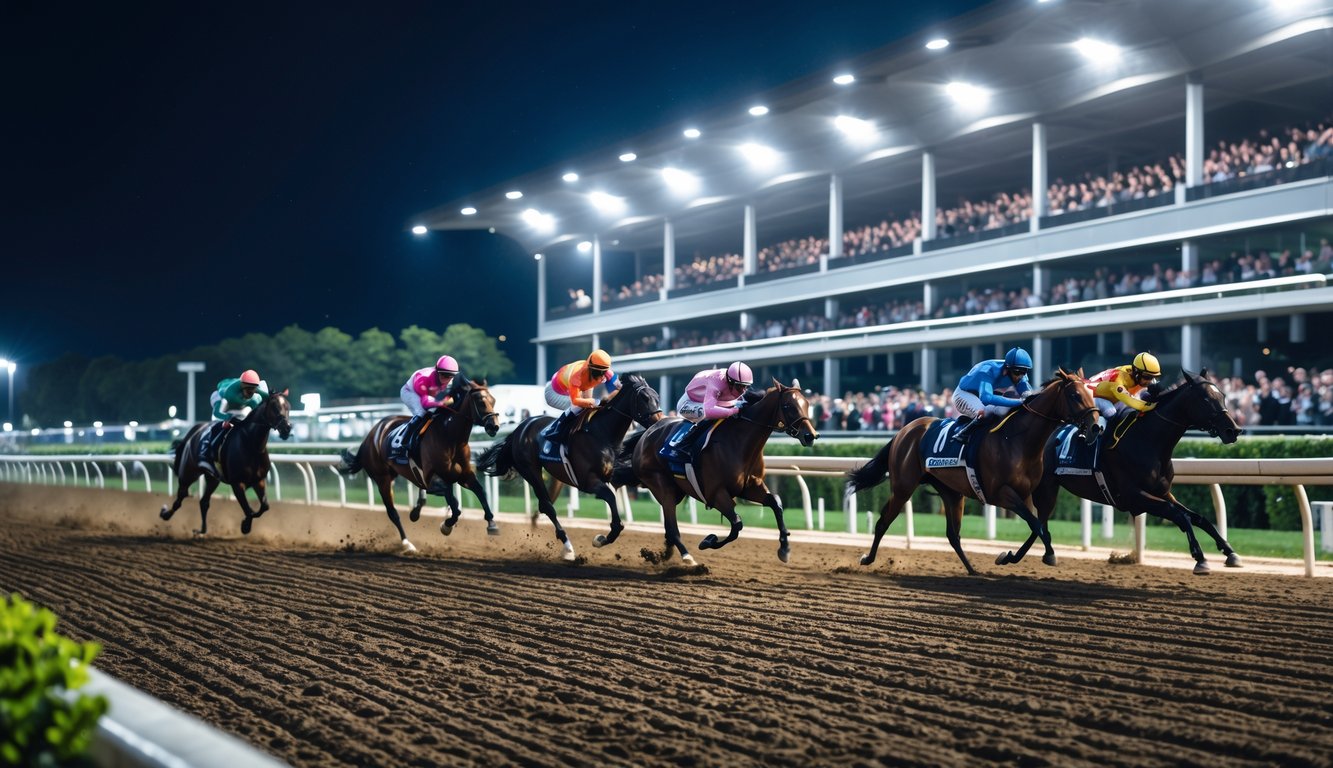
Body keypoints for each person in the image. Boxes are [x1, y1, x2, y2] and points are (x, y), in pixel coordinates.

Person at [663, 361, 754, 464]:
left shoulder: (734, 381)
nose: (743, 390)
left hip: (715, 402)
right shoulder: (716, 382)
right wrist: (735, 410)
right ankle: (682, 445)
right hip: (689, 403)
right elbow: (709, 411)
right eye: (739, 386)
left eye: (745, 386)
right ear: (730, 382)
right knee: (706, 415)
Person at [950, 347, 1033, 444]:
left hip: (987, 393)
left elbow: (1028, 396)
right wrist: (1018, 402)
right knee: (985, 413)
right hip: (965, 394)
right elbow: (986, 398)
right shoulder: (987, 370)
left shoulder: (1018, 371)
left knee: (1002, 412)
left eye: (1024, 372)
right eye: (1017, 372)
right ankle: (963, 433)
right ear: (1006, 369)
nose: (1020, 376)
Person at [541, 348, 619, 449]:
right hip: (554, 393)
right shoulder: (576, 376)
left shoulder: (603, 370)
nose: (602, 376)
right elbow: (576, 401)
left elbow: (620, 386)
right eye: (599, 373)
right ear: (591, 369)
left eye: (604, 372)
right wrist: (596, 401)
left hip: (573, 386)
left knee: (589, 409)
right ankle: (554, 432)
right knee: (579, 407)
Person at [389, 355, 459, 464]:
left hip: (431, 394)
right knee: (422, 412)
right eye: (444, 375)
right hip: (410, 392)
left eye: (450, 376)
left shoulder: (451, 380)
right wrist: (443, 403)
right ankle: (400, 446)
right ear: (436, 371)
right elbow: (426, 404)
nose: (447, 379)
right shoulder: (423, 378)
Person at [199, 370, 269, 474]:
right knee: (220, 424)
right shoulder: (229, 394)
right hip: (221, 399)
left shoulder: (256, 397)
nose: (250, 394)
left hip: (238, 398)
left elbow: (266, 400)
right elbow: (217, 413)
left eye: (253, 391)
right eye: (248, 391)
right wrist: (227, 419)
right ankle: (204, 451)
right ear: (242, 387)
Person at [1086, 352, 1160, 428]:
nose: (1149, 381)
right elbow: (1130, 401)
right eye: (1147, 377)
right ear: (1137, 372)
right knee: (1110, 412)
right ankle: (1102, 437)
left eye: (1152, 377)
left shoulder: (1134, 372)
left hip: (1107, 394)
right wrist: (1151, 406)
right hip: (1091, 395)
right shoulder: (1119, 379)